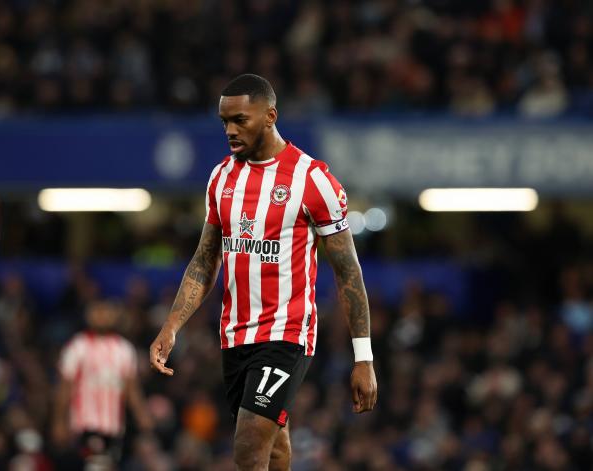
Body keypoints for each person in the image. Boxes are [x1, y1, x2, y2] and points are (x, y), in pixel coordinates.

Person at [149, 73, 377, 471]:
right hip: (235, 334)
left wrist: (364, 357)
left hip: (286, 334)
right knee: (273, 448)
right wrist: (172, 325)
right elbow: (206, 259)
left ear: (270, 116)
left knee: (249, 446)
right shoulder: (221, 178)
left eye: (240, 120)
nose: (230, 130)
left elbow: (348, 272)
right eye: (224, 121)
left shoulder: (312, 179)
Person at [53, 299, 152, 469]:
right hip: (84, 423)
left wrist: (142, 415)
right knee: (94, 465)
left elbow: (131, 389)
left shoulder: (124, 349)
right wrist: (59, 420)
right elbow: (64, 387)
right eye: (96, 311)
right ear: (88, 316)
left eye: (105, 311)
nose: (101, 316)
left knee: (108, 464)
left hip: (113, 425)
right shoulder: (78, 346)